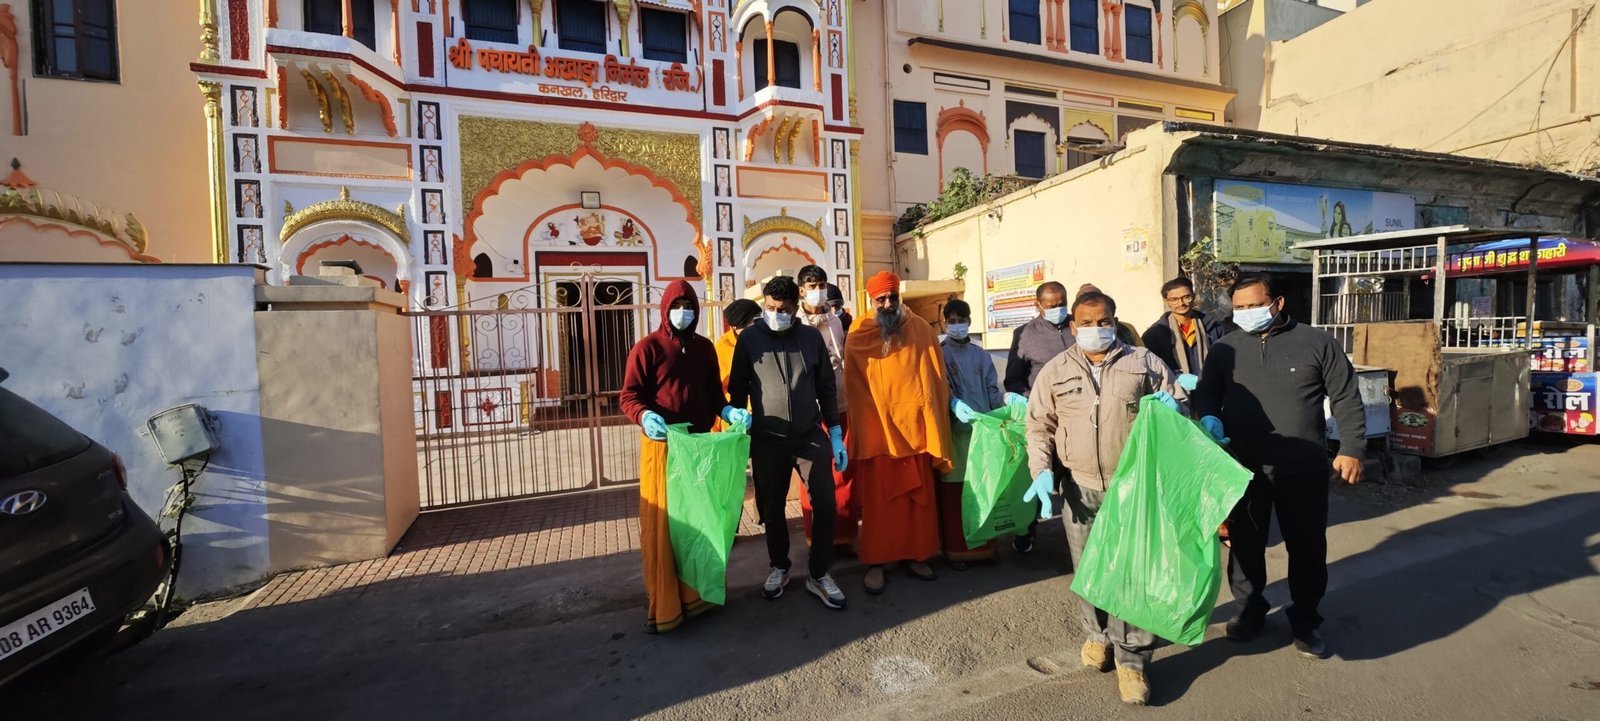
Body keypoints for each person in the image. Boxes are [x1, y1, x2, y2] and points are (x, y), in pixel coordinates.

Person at [1191, 272, 1366, 660]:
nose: (1246, 313)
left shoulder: (1316, 342)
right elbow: (1207, 392)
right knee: (1245, 547)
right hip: (1243, 468)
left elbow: (1346, 395)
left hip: (1302, 467)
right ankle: (1250, 610)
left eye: (1255, 305)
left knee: (1307, 548)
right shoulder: (1225, 348)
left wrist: (1352, 447)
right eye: (1239, 307)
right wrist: (1209, 416)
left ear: (1278, 302)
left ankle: (1305, 621)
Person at [1022, 289, 1184, 706]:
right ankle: (1098, 636)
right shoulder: (1055, 371)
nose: (1097, 329)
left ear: (1114, 320)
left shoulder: (1143, 362)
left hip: (1133, 486)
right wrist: (1041, 472)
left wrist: (1176, 407)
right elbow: (1038, 426)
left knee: (1132, 576)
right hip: (1079, 489)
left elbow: (1181, 406)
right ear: (1073, 326)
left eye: (1104, 321)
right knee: (1090, 572)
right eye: (1087, 323)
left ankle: (1132, 660)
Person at [620, 280, 751, 634]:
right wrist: (644, 416)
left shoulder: (705, 348)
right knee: (667, 528)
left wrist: (729, 411)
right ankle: (665, 604)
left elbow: (714, 396)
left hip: (698, 448)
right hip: (663, 447)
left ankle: (701, 595)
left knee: (700, 522)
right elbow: (629, 396)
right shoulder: (647, 348)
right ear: (665, 309)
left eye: (688, 305)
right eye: (676, 306)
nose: (683, 312)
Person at [727, 276, 850, 609]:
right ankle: (779, 566)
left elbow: (826, 387)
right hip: (768, 439)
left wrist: (835, 433)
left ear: (795, 308)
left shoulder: (810, 338)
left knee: (825, 502)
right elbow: (737, 388)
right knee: (772, 508)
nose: (775, 314)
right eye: (770, 307)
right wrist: (736, 418)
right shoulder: (750, 339)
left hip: (809, 436)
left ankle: (819, 573)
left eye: (783, 310)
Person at [845, 271, 953, 594]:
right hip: (879, 435)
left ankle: (917, 556)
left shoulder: (920, 329)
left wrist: (931, 422)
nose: (888, 303)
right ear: (871, 300)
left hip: (915, 432)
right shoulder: (859, 333)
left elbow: (934, 380)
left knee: (916, 504)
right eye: (881, 299)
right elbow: (855, 389)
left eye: (893, 297)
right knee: (880, 508)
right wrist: (871, 424)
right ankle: (876, 562)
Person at [939, 299, 1021, 568]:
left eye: (961, 320)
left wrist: (1008, 401)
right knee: (956, 493)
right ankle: (956, 551)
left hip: (983, 431)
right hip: (955, 434)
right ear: (944, 323)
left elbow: (993, 392)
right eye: (951, 321)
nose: (956, 325)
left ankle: (986, 548)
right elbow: (939, 390)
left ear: (970, 322)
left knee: (986, 487)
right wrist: (953, 404)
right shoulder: (939, 354)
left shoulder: (981, 355)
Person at [1002, 281, 1072, 553]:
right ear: (1038, 305)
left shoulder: (1078, 327)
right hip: (1042, 418)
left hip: (1077, 416)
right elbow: (1013, 378)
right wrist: (1026, 398)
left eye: (1062, 304)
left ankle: (1079, 534)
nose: (1058, 310)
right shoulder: (1025, 335)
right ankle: (1025, 530)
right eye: (1051, 306)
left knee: (1074, 481)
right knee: (1037, 476)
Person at [797, 265, 856, 555]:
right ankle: (817, 539)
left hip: (840, 403)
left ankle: (843, 537)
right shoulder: (795, 324)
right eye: (812, 286)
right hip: (810, 410)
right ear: (801, 291)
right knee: (812, 475)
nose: (818, 291)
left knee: (843, 471)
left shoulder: (836, 321)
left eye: (821, 284)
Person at [1140, 276, 1227, 380]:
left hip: (1211, 387)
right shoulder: (1155, 334)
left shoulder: (1213, 327)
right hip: (1173, 388)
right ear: (1166, 301)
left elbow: (1225, 361)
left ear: (1194, 297)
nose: (1181, 303)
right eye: (1174, 299)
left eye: (1186, 297)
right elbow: (1151, 367)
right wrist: (1177, 376)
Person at [715, 298, 762, 395]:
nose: (758, 325)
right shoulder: (722, 347)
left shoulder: (762, 339)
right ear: (737, 325)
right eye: (753, 321)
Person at [1076, 284, 1143, 348]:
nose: (1096, 327)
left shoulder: (1127, 329)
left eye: (1095, 298)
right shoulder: (1075, 334)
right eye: (1086, 323)